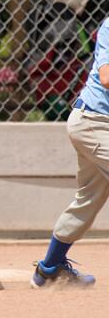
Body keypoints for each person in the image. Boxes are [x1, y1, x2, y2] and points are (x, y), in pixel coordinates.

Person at [30, 18, 109, 288]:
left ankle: (49, 269)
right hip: (95, 123)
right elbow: (106, 76)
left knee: (88, 202)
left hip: (96, 124)